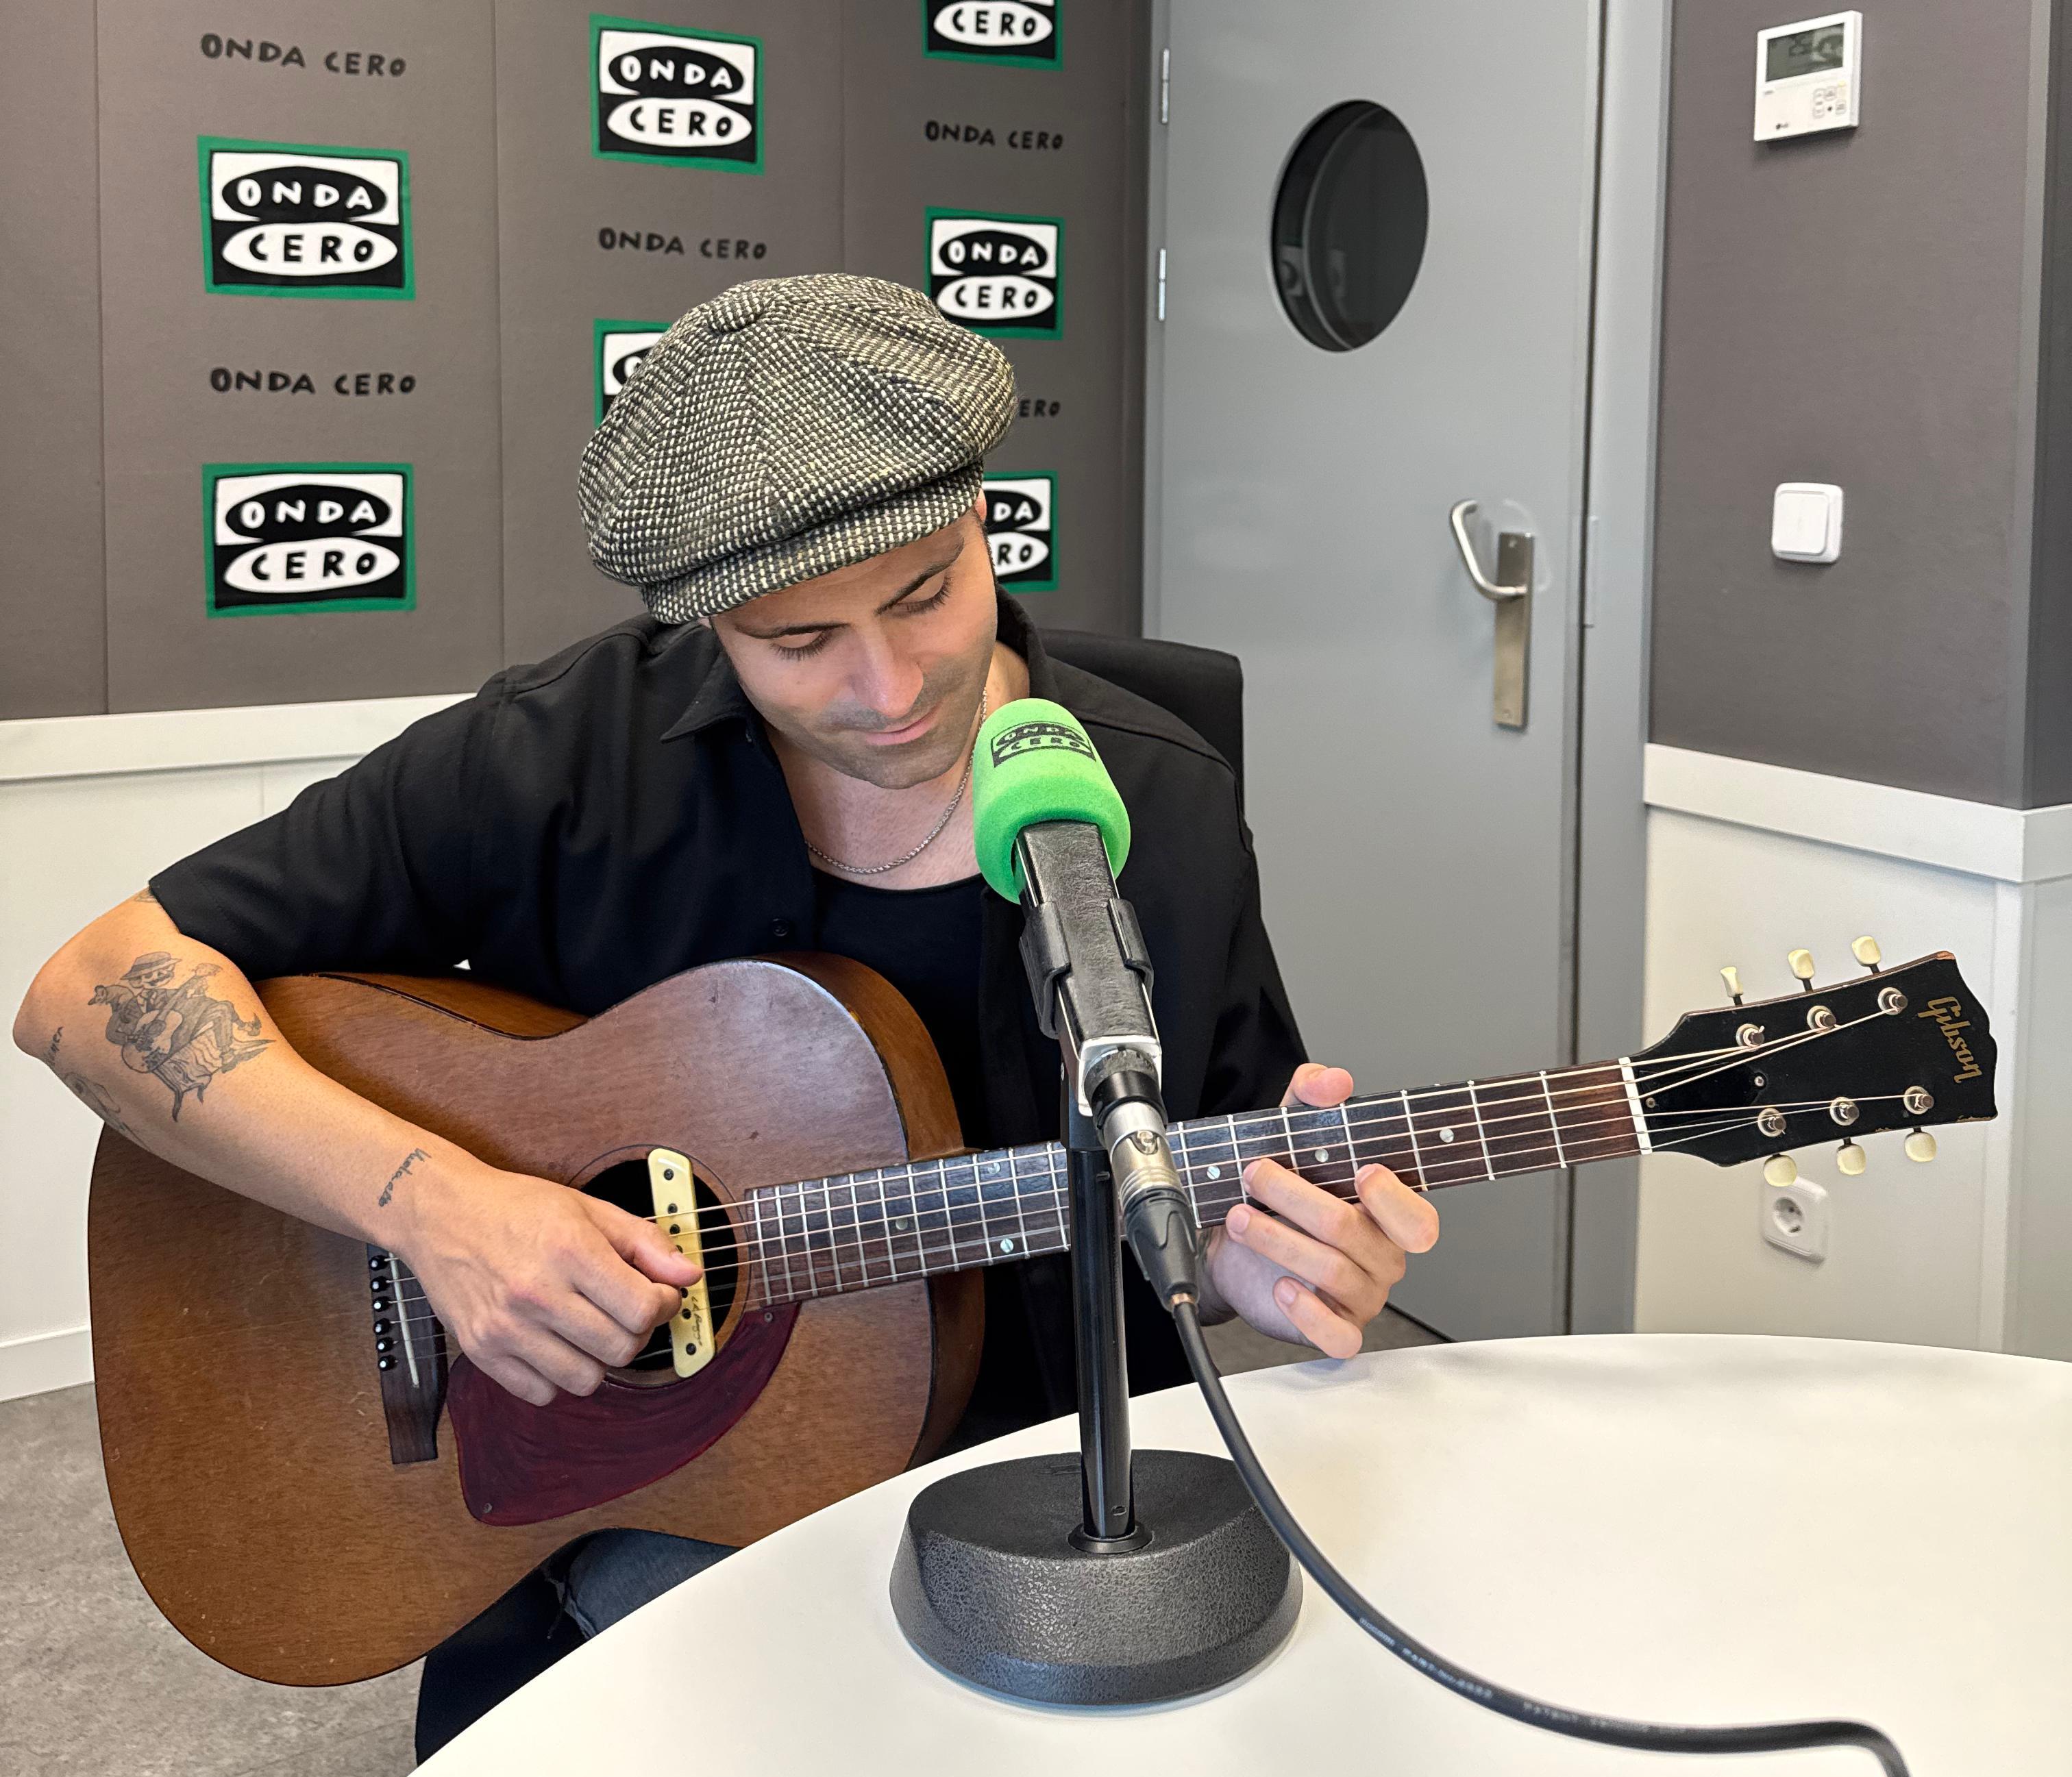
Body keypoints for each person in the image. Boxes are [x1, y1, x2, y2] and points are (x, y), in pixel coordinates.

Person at [13, 274, 1438, 1653]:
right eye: (798, 640)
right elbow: (86, 987)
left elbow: (1223, 1175)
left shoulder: (1158, 792)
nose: (888, 689)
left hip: (1040, 1487)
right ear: (704, 619)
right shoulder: (558, 759)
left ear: (987, 523)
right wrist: (441, 1211)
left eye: (927, 592)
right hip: (646, 1500)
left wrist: (1276, 1271)